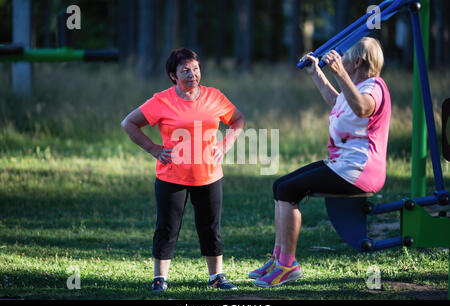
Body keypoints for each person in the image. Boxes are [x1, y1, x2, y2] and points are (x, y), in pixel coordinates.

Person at [249, 37, 391, 288]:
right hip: (342, 165)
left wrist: (339, 74)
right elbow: (338, 102)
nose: (340, 60)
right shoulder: (356, 86)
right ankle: (278, 259)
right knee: (280, 186)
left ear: (356, 62)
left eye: (344, 57)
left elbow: (363, 109)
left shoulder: (374, 87)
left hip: (359, 171)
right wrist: (316, 73)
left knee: (287, 190)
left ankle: (287, 266)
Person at [121, 48, 245, 292]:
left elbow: (238, 120)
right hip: (172, 176)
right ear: (173, 75)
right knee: (167, 227)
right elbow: (129, 123)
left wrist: (225, 144)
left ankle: (216, 276)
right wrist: (154, 149)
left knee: (211, 227)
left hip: (209, 175)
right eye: (185, 70)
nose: (192, 74)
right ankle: (159, 279)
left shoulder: (215, 96)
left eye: (196, 69)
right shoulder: (161, 101)